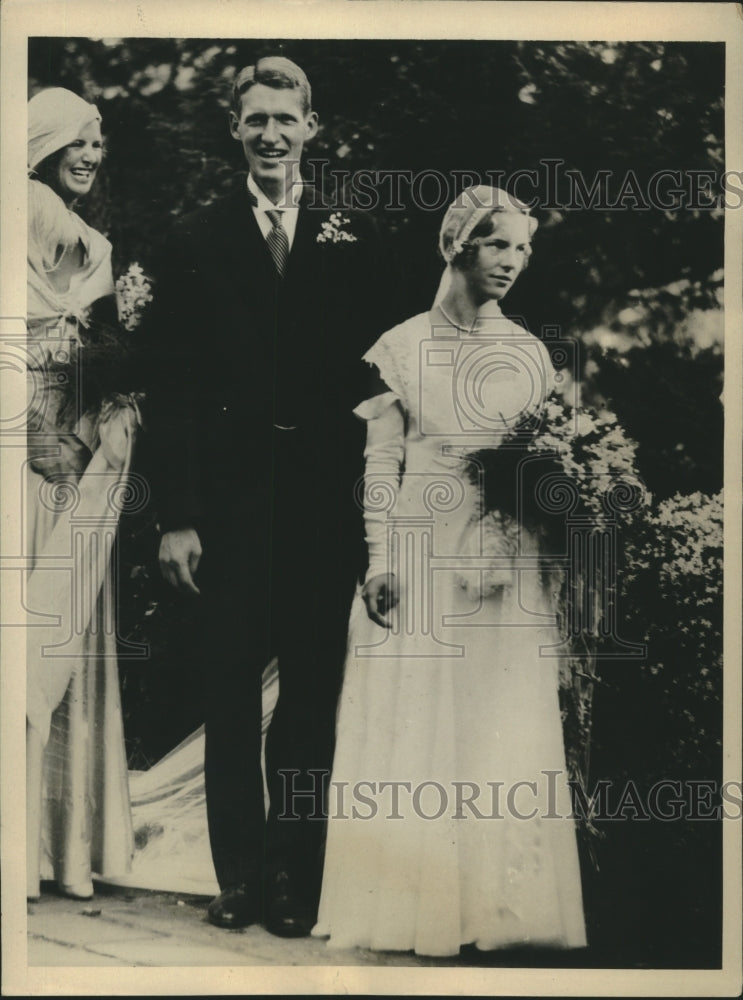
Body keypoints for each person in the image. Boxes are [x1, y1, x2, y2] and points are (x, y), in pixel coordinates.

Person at [144, 56, 400, 935]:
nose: (270, 136)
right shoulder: (193, 240)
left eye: (285, 121)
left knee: (308, 698)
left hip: (323, 508)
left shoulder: (353, 236)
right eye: (255, 120)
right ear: (235, 129)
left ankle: (294, 879)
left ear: (311, 129)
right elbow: (169, 389)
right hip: (225, 508)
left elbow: (379, 377)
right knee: (226, 692)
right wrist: (176, 516)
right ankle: (241, 878)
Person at [313, 185, 587, 956]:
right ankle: (414, 903)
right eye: (498, 244)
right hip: (422, 541)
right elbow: (381, 463)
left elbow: (547, 453)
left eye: (522, 250)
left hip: (506, 552)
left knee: (496, 719)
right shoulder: (400, 346)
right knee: (418, 713)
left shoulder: (528, 351)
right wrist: (378, 559)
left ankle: (498, 911)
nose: (511, 262)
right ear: (459, 244)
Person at [26, 88, 139, 900]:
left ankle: (58, 844)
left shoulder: (98, 245)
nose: (93, 154)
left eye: (101, 144)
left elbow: (101, 352)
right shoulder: (13, 215)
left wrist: (110, 416)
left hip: (74, 454)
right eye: (81, 139)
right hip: (15, 448)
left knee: (64, 625)